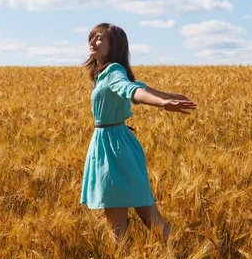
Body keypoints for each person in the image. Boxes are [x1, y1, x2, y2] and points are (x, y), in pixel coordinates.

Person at [81, 23, 197, 244]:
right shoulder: (105, 73)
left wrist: (163, 103)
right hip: (117, 144)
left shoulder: (113, 70)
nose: (92, 42)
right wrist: (168, 96)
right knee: (149, 216)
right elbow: (139, 86)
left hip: (112, 147)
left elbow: (131, 91)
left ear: (114, 46)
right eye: (92, 37)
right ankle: (181, 257)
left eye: (99, 39)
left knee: (118, 227)